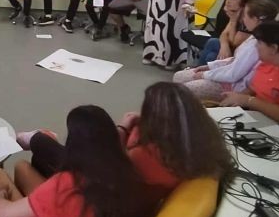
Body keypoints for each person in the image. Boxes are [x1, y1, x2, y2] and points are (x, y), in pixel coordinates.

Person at [0, 105, 149, 217]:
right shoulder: (123, 171)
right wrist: (122, 128)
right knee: (21, 167)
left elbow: (5, 215)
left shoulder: (67, 184)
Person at [22, 82, 232, 204]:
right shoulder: (195, 144)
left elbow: (106, 162)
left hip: (104, 193)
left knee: (42, 143)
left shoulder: (146, 155)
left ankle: (33, 139)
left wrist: (123, 128)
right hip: (126, 193)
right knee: (40, 158)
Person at [174, 0, 279, 101]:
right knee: (179, 76)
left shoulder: (257, 45)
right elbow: (235, 60)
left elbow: (234, 74)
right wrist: (210, 66)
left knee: (185, 90)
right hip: (228, 76)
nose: (243, 19)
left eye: (245, 16)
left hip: (234, 86)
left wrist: (205, 74)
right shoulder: (253, 37)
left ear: (255, 20)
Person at [197, 0, 260, 65]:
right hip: (231, 51)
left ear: (245, 2)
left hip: (242, 55)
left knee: (212, 47)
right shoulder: (237, 13)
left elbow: (234, 43)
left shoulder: (249, 18)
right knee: (211, 54)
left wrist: (233, 20)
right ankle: (198, 70)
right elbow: (224, 34)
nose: (227, 1)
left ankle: (195, 70)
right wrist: (224, 46)